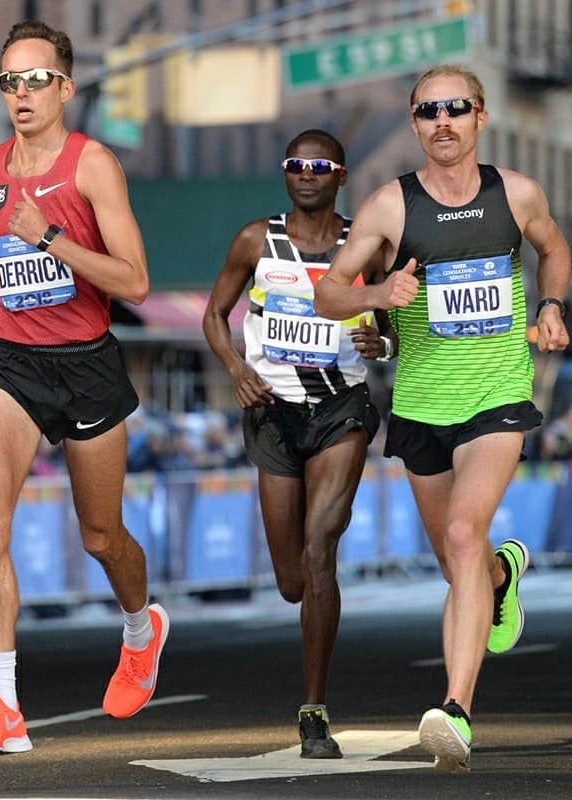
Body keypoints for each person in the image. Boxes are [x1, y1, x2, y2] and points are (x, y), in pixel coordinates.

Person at [314, 65, 571, 772]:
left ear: (480, 115)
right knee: (459, 562)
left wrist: (551, 305)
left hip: (496, 395)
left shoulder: (515, 193)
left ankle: (455, 710)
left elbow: (553, 247)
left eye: (456, 108)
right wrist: (379, 293)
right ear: (414, 123)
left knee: (462, 532)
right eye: (429, 111)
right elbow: (329, 294)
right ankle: (500, 576)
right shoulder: (389, 208)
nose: (443, 121)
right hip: (421, 405)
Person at [0, 20, 169, 757]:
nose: (23, 93)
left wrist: (48, 238)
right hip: (13, 361)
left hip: (86, 362)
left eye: (37, 79)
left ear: (66, 88)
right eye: (10, 81)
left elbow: (135, 281)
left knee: (100, 534)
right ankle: (4, 706)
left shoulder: (93, 166)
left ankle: (140, 628)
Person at [203, 129, 394, 759]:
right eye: (295, 164)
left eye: (319, 165)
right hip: (273, 412)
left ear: (341, 176)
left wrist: (382, 343)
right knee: (291, 581)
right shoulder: (256, 240)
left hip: (342, 409)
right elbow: (214, 315)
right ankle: (307, 586)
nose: (306, 173)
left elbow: (391, 328)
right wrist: (236, 369)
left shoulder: (363, 246)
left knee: (320, 550)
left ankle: (314, 710)